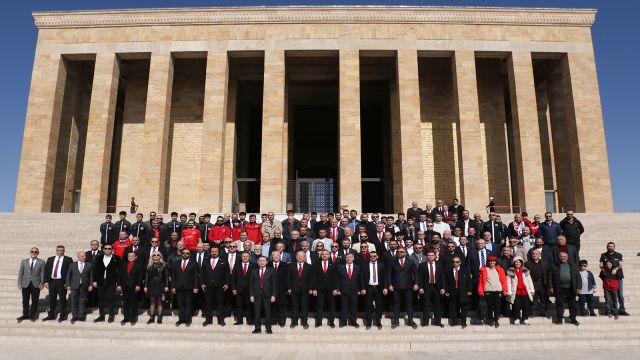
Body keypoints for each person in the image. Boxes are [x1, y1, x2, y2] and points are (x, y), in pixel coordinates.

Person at [387, 247, 419, 329]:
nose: (400, 253)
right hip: (396, 287)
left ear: (405, 253)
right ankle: (396, 320)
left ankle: (410, 320)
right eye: (398, 252)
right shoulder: (393, 262)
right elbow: (389, 274)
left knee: (409, 304)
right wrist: (390, 284)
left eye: (401, 252)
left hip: (408, 286)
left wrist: (416, 283)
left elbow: (416, 274)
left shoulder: (410, 262)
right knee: (396, 304)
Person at [200, 246, 229, 327]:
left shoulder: (224, 261)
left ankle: (221, 320)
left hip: (220, 286)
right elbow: (202, 273)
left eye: (216, 251)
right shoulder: (205, 260)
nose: (214, 253)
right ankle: (208, 320)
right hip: (208, 285)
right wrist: (202, 283)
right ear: (210, 252)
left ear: (218, 252)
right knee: (208, 303)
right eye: (212, 251)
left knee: (220, 303)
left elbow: (227, 274)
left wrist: (227, 283)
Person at [43, 245, 73, 322]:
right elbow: (46, 271)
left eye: (61, 250)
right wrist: (45, 281)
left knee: (63, 299)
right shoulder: (50, 259)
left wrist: (68, 283)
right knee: (52, 299)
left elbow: (71, 272)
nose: (60, 252)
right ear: (56, 251)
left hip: (62, 282)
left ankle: (63, 315)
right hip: (52, 281)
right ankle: (51, 315)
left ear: (64, 251)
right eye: (58, 250)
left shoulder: (68, 259)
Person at [477, 255, 508, 327]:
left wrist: (505, 289)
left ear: (496, 262)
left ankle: (496, 320)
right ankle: (491, 320)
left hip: (498, 290)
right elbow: (481, 282)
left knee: (497, 306)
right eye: (490, 261)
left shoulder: (500, 269)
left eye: (493, 261)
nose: (492, 262)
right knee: (490, 306)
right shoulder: (484, 269)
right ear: (488, 262)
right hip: (488, 290)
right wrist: (480, 291)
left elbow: (503, 280)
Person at [170, 248, 199, 326]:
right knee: (180, 304)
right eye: (184, 253)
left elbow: (196, 276)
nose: (185, 254)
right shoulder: (176, 263)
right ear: (181, 254)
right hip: (179, 286)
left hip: (189, 287)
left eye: (187, 253)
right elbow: (173, 276)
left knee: (188, 304)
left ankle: (187, 320)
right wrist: (172, 287)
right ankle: (181, 319)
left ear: (189, 254)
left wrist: (196, 287)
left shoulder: (194, 263)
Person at [550, 252, 580, 326]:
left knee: (572, 304)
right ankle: (560, 318)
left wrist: (578, 287)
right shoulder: (555, 266)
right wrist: (551, 287)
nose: (562, 258)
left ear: (567, 257)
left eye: (564, 256)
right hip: (559, 288)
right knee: (559, 304)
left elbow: (578, 277)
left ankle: (573, 318)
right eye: (561, 256)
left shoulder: (573, 266)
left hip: (571, 287)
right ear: (559, 257)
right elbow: (550, 278)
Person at [599, 242, 628, 315]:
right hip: (607, 278)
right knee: (609, 295)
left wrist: (616, 269)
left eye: (612, 246)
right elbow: (601, 265)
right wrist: (603, 270)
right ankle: (611, 310)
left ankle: (622, 309)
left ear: (614, 247)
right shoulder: (603, 255)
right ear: (607, 247)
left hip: (618, 277)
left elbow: (621, 265)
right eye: (609, 246)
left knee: (620, 294)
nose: (610, 247)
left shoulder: (619, 255)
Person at [17, 247, 45, 322]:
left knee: (35, 300)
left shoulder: (42, 262)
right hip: (25, 283)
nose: (33, 253)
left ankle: (32, 315)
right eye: (32, 251)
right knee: (25, 300)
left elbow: (42, 273)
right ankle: (25, 314)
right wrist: (19, 283)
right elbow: (21, 273)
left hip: (36, 284)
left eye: (35, 252)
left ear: (38, 253)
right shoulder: (24, 261)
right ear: (30, 252)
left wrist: (42, 283)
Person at [250, 256, 277, 334]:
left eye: (263, 261)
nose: (262, 262)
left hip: (268, 294)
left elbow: (274, 284)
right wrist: (251, 295)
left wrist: (273, 295)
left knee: (268, 312)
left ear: (266, 262)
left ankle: (268, 328)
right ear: (258, 262)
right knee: (257, 311)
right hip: (256, 294)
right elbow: (251, 284)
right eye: (260, 261)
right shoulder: (254, 271)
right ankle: (257, 328)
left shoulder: (271, 271)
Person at [417, 250, 445, 327]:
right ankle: (425, 322)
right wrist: (420, 287)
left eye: (432, 255)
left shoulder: (439, 265)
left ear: (435, 256)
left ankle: (437, 321)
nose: (430, 257)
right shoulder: (422, 265)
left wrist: (443, 288)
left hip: (437, 287)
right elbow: (420, 277)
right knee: (426, 305)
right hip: (426, 287)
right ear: (427, 257)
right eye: (428, 255)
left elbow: (442, 277)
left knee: (437, 305)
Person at [287, 251, 314, 329]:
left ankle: (304, 322)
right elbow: (288, 278)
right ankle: (294, 322)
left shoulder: (309, 266)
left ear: (305, 257)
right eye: (298, 256)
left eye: (302, 256)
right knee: (295, 306)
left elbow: (311, 279)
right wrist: (288, 288)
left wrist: (311, 288)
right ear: (296, 257)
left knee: (304, 306)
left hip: (305, 290)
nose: (300, 257)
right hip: (294, 290)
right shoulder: (291, 266)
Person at [444, 256, 472, 328]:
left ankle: (463, 322)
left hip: (463, 291)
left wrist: (469, 290)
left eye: (457, 262)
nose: (455, 263)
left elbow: (469, 281)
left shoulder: (465, 270)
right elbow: (446, 282)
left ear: (460, 263)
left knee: (463, 307)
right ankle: (454, 321)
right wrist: (446, 291)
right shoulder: (449, 271)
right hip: (453, 291)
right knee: (454, 307)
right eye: (453, 262)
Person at [65, 251, 93, 323]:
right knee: (74, 301)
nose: (84, 257)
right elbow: (68, 275)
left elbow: (91, 276)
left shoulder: (89, 265)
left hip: (84, 286)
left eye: (84, 256)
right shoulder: (72, 265)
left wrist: (90, 285)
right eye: (82, 256)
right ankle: (74, 316)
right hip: (74, 285)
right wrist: (68, 285)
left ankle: (81, 316)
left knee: (82, 301)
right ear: (78, 257)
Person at [312, 249, 338, 328]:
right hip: (319, 289)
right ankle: (319, 322)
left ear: (329, 255)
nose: (324, 255)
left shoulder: (333, 265)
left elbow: (336, 278)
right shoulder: (316, 264)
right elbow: (313, 278)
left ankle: (331, 322)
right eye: (323, 254)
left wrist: (336, 289)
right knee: (319, 305)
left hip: (331, 289)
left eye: (326, 254)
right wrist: (314, 289)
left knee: (332, 306)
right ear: (320, 255)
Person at [506, 256, 535, 325]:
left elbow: (529, 281)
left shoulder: (525, 271)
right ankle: (517, 319)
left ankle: (525, 319)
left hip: (525, 291)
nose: (518, 263)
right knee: (516, 305)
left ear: (521, 263)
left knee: (526, 305)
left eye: (519, 262)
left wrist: (532, 290)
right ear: (514, 263)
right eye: (516, 262)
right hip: (515, 291)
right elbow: (508, 282)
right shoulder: (511, 271)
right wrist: (509, 291)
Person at [337, 253, 363, 328]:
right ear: (345, 259)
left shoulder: (358, 267)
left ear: (353, 258)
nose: (348, 258)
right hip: (343, 290)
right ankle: (343, 322)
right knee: (344, 307)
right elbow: (338, 279)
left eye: (350, 257)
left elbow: (360, 279)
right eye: (347, 257)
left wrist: (360, 289)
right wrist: (338, 289)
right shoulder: (340, 267)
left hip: (354, 290)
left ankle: (353, 321)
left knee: (354, 307)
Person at [144, 251, 169, 324]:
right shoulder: (149, 266)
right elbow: (147, 277)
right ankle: (151, 317)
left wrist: (167, 286)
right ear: (152, 257)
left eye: (158, 255)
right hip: (152, 285)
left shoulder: (164, 265)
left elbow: (166, 276)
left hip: (161, 285)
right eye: (154, 255)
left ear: (160, 256)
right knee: (152, 302)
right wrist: (145, 286)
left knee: (160, 302)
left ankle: (159, 317)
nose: (156, 256)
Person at [118, 252, 143, 325]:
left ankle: (132, 319)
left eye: (132, 256)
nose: (130, 257)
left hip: (134, 287)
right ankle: (126, 318)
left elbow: (140, 276)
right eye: (129, 256)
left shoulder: (139, 265)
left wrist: (138, 285)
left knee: (133, 304)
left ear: (135, 257)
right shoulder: (123, 265)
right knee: (125, 304)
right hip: (125, 287)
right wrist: (119, 284)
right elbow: (120, 275)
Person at [524, 249, 551, 318]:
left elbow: (548, 273)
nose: (534, 255)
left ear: (539, 255)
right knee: (534, 299)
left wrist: (549, 284)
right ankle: (533, 312)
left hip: (543, 283)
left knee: (544, 298)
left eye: (536, 254)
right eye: (533, 254)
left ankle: (544, 312)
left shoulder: (545, 263)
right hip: (533, 283)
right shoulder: (527, 263)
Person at [231, 252, 256, 325]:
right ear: (241, 257)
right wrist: (233, 288)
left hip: (250, 289)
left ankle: (250, 320)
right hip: (239, 289)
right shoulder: (237, 265)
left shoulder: (254, 265)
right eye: (243, 256)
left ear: (249, 257)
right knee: (239, 305)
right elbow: (233, 278)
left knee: (249, 305)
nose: (245, 258)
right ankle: (239, 320)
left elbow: (256, 278)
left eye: (246, 256)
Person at [269, 250, 289, 327]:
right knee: (272, 305)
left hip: (282, 288)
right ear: (272, 256)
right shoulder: (268, 265)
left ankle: (282, 320)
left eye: (277, 255)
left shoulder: (285, 265)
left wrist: (288, 288)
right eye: (274, 255)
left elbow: (288, 278)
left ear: (280, 256)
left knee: (282, 305)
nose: (276, 256)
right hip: (270, 289)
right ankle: (274, 320)